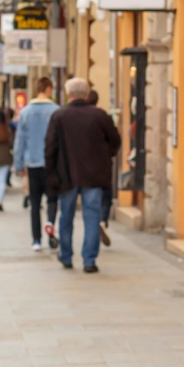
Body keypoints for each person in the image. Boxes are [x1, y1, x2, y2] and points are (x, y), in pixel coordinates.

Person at [45, 78, 121, 273]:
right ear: (87, 94)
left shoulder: (59, 116)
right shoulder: (99, 115)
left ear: (68, 94)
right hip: (93, 175)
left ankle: (66, 256)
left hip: (66, 175)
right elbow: (115, 141)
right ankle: (89, 260)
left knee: (66, 216)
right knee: (92, 216)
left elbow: (50, 147)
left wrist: (51, 172)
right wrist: (105, 156)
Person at [14, 77, 60, 252]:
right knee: (52, 199)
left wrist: (18, 165)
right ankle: (50, 224)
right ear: (48, 89)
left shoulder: (25, 112)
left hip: (33, 163)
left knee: (35, 202)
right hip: (52, 163)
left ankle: (36, 240)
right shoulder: (55, 111)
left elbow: (20, 142)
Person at [86, 89, 112, 247]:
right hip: (103, 164)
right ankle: (102, 221)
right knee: (106, 196)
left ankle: (95, 222)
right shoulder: (102, 116)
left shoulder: (77, 116)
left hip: (84, 167)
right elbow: (114, 139)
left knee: (91, 202)